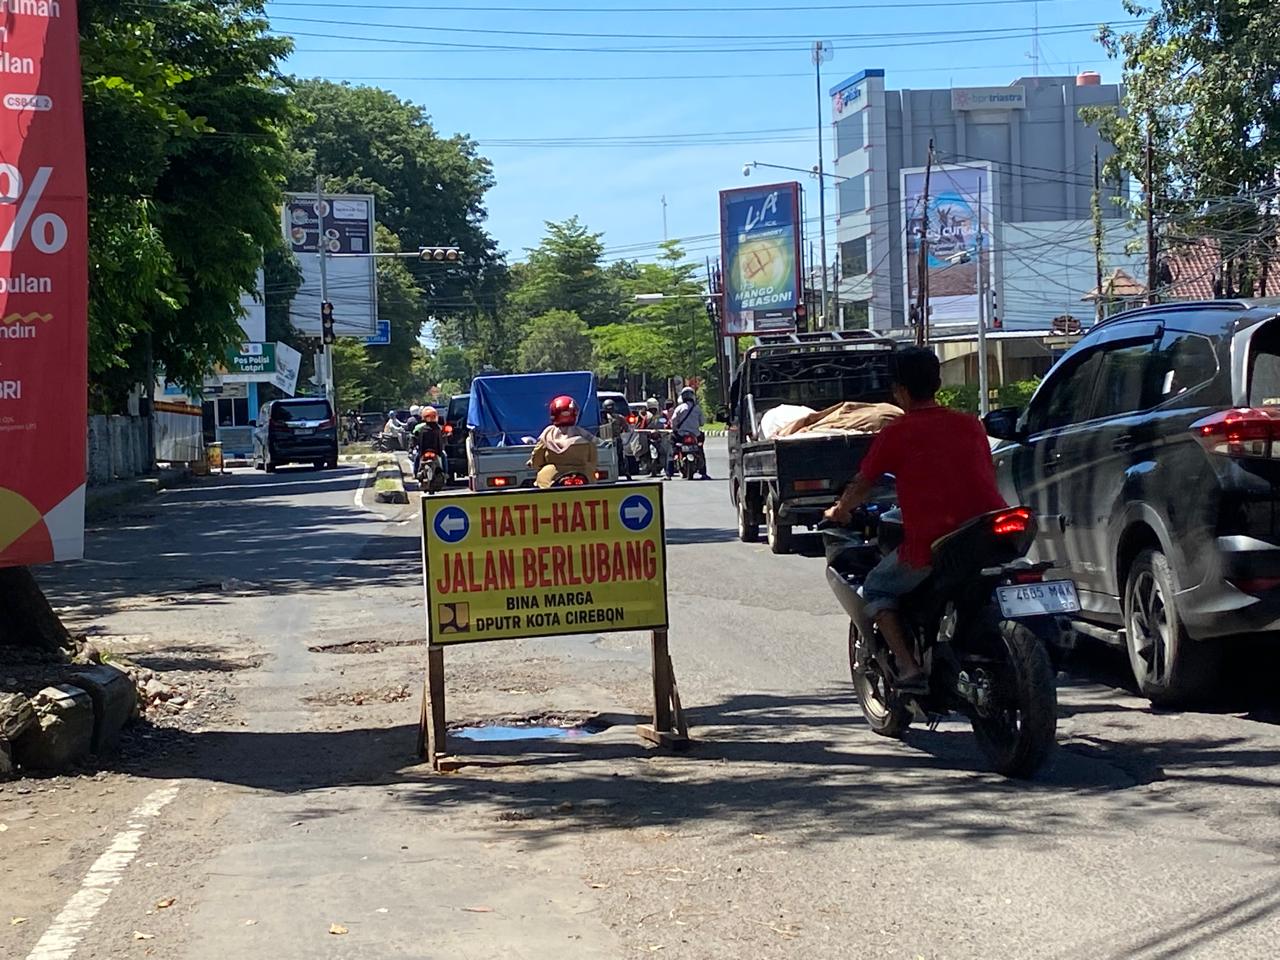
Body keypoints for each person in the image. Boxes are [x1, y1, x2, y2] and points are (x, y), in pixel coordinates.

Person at [823, 346, 1006, 692]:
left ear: (901, 391)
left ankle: (908, 667)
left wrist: (839, 510)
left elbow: (863, 483)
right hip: (987, 534)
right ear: (937, 384)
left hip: (936, 544)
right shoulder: (970, 424)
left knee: (876, 586)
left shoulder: (897, 433)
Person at [528, 395, 599, 488]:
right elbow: (593, 460)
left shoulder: (548, 434)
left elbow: (537, 460)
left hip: (551, 479)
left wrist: (534, 464)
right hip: (584, 477)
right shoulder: (584, 434)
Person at [671, 386, 710, 479]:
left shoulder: (679, 408)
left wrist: (675, 428)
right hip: (695, 434)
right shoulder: (697, 409)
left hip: (681, 435)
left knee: (673, 446)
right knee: (700, 450)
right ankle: (703, 472)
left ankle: (670, 470)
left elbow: (673, 421)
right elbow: (702, 422)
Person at [600, 398, 631, 481]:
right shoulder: (601, 418)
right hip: (605, 441)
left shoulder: (619, 417)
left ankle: (626, 473)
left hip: (616, 440)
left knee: (621, 457)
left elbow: (626, 428)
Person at [412, 406, 446, 479]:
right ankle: (445, 473)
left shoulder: (421, 428)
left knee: (417, 457)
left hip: (425, 451)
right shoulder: (438, 428)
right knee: (444, 456)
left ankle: (415, 473)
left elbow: (417, 439)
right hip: (434, 451)